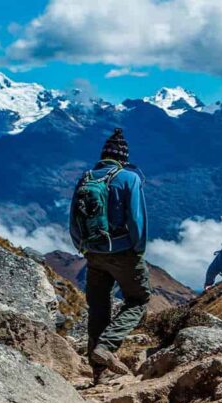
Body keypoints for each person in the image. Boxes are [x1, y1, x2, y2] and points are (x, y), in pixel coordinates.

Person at [69, 128, 150, 383]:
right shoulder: (129, 179)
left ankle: (98, 373)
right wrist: (137, 249)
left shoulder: (86, 178)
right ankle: (107, 345)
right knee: (138, 300)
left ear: (103, 156)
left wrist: (82, 247)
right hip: (123, 250)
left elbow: (73, 218)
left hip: (93, 252)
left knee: (99, 308)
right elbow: (136, 219)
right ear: (123, 158)